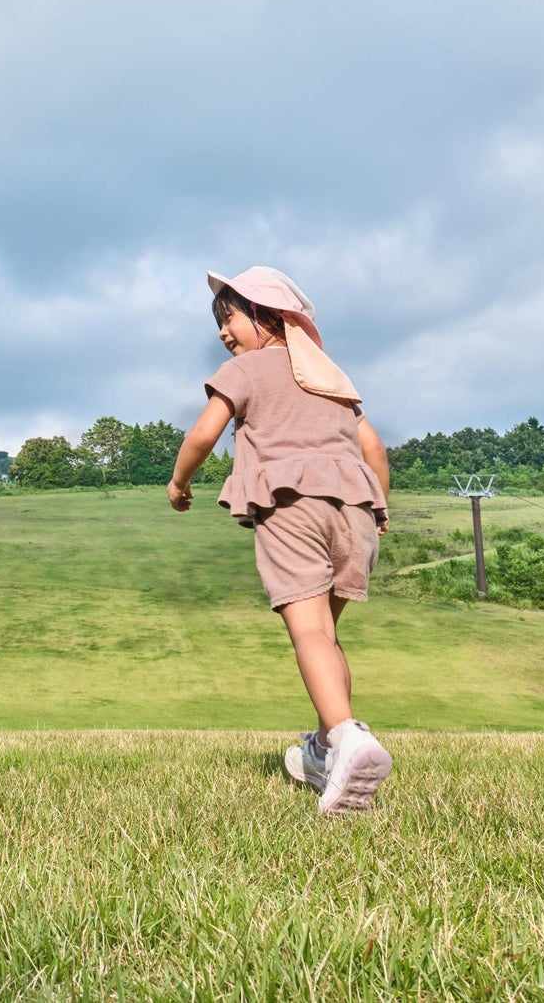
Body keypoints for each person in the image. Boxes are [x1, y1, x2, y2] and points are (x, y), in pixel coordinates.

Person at [166, 266, 394, 815]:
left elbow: (203, 432)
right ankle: (322, 750)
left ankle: (346, 735)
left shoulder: (244, 371)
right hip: (355, 512)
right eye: (219, 323)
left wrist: (179, 483)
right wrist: (380, 510)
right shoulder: (329, 377)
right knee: (327, 635)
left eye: (231, 318)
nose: (224, 332)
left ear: (267, 317)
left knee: (308, 631)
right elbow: (375, 450)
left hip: (292, 503)